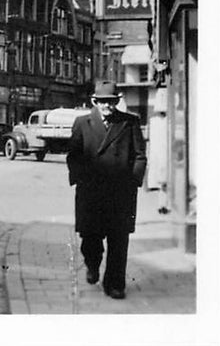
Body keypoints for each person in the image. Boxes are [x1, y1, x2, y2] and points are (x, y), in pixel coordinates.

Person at [67, 81, 146, 300]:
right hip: (91, 193)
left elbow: (139, 155)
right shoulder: (82, 123)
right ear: (94, 102)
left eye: (111, 102)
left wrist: (133, 181)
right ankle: (92, 264)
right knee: (91, 239)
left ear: (117, 102)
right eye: (102, 102)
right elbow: (73, 155)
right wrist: (80, 178)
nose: (107, 106)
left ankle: (115, 284)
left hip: (121, 193)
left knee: (119, 241)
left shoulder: (129, 123)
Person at [146, 108, 169, 214]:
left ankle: (163, 204)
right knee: (162, 182)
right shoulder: (156, 122)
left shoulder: (160, 122)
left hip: (162, 153)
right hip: (160, 154)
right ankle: (162, 205)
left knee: (163, 182)